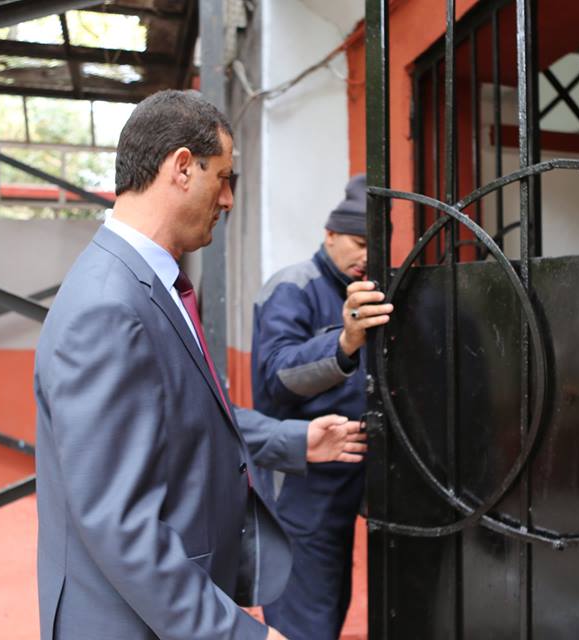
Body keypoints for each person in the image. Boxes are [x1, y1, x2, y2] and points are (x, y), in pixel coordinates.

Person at [33, 90, 367, 640]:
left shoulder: (146, 282)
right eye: (225, 178)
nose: (229, 199)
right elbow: (121, 523)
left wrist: (295, 439)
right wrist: (240, 635)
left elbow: (189, 417)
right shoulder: (107, 306)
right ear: (182, 167)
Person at [251, 174, 393, 640]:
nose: (366, 256)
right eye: (358, 243)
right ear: (330, 234)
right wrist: (344, 341)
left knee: (332, 605)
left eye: (375, 246)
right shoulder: (292, 286)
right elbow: (275, 379)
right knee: (305, 618)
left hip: (356, 472)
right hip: (302, 480)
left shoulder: (370, 290)